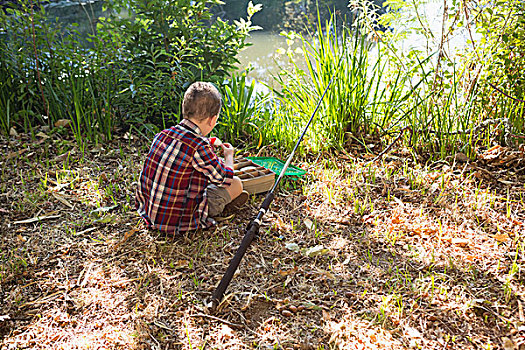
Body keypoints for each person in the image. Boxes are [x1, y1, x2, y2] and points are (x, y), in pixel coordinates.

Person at [135, 82, 249, 235]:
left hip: (150, 213)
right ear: (212, 120)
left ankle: (221, 203)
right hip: (179, 221)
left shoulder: (162, 135)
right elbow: (225, 178)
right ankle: (219, 207)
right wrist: (229, 156)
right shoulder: (199, 146)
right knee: (236, 184)